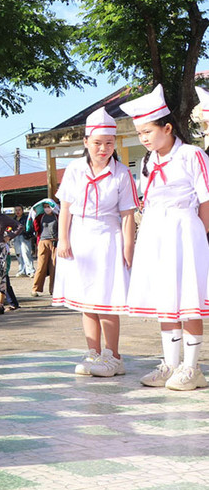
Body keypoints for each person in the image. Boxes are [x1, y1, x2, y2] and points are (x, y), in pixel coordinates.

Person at [121, 85, 209, 390]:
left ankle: (192, 367)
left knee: (189, 299)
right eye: (139, 134)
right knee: (166, 299)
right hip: (155, 233)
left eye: (148, 131)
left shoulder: (191, 155)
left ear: (167, 128)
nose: (143, 138)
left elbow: (206, 199)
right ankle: (170, 364)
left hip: (184, 231)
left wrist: (200, 235)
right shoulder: (149, 162)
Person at [53, 108, 137, 377]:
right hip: (80, 237)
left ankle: (113, 356)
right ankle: (93, 352)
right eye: (98, 143)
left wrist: (128, 248)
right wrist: (63, 240)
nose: (103, 149)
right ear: (86, 142)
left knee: (107, 300)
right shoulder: (74, 170)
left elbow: (128, 215)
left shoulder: (122, 173)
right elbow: (66, 208)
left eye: (109, 143)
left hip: (108, 239)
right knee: (86, 300)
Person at [32, 203, 58, 296]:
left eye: (48, 206)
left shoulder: (57, 216)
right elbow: (36, 227)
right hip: (43, 241)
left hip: (55, 242)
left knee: (54, 266)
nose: (47, 208)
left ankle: (53, 289)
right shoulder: (40, 217)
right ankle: (35, 288)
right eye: (45, 207)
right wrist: (35, 215)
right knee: (41, 266)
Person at [11, 206, 35, 276]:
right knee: (18, 254)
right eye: (16, 210)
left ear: (22, 210)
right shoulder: (13, 220)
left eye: (19, 210)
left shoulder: (26, 218)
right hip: (16, 237)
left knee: (26, 253)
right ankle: (21, 270)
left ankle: (30, 270)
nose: (17, 212)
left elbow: (30, 227)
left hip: (25, 237)